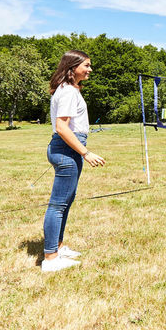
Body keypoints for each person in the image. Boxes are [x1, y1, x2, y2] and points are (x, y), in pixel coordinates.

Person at [42, 50, 105, 272]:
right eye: (86, 65)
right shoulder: (68, 91)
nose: (90, 70)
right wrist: (85, 153)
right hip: (66, 149)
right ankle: (50, 258)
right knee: (58, 205)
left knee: (66, 201)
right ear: (72, 66)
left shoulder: (69, 90)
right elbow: (61, 127)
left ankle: (57, 247)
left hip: (68, 148)